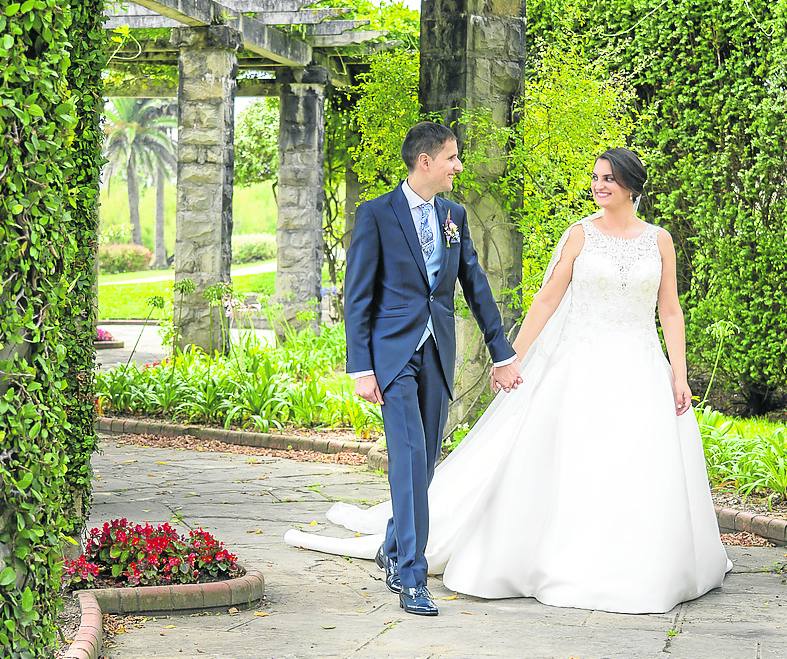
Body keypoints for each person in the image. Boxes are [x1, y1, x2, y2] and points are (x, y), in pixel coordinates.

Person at [285, 146, 731, 614]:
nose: (599, 186)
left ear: (632, 187)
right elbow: (546, 300)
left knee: (639, 462)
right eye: (596, 177)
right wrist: (512, 356)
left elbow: (669, 310)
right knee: (576, 459)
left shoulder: (659, 241)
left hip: (639, 364)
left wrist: (678, 376)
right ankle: (425, 550)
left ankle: (644, 561)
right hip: (581, 364)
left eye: (609, 179)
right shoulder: (580, 235)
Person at [306, 122, 521, 616]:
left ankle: (394, 547)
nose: (458, 166)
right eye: (452, 157)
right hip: (392, 358)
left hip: (436, 354)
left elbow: (475, 284)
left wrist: (500, 349)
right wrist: (361, 368)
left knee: (421, 465)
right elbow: (357, 296)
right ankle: (411, 578)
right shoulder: (376, 215)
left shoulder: (454, 215)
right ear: (425, 161)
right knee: (407, 460)